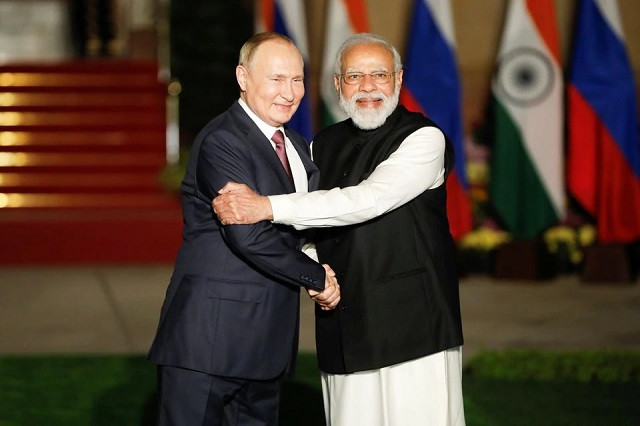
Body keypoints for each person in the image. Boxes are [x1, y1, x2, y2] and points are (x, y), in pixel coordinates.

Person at [212, 33, 465, 425]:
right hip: (343, 324)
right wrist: (314, 270)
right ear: (337, 85)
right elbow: (309, 229)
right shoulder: (319, 145)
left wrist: (265, 206)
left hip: (415, 327)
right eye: (353, 76)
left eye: (379, 74)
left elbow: (368, 200)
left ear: (398, 79)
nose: (367, 87)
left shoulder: (423, 138)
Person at [148, 32, 340, 426]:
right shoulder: (223, 141)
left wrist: (318, 259)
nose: (289, 92)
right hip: (208, 344)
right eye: (276, 79)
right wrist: (316, 276)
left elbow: (302, 227)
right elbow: (247, 235)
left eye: (297, 79)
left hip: (266, 348)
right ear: (243, 77)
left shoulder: (299, 147)